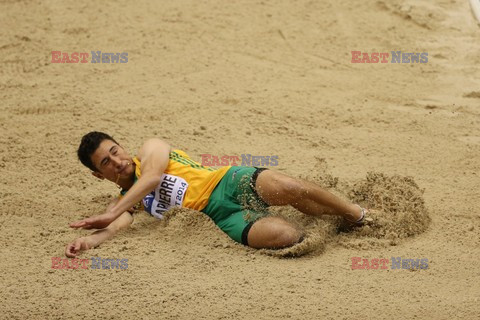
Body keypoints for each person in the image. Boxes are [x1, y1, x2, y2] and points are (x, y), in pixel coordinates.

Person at [65, 131, 370, 257]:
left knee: (289, 188)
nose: (117, 162)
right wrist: (89, 240)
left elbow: (154, 177)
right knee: (286, 237)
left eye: (115, 151)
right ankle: (331, 224)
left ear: (122, 146)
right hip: (221, 217)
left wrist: (113, 211)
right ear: (98, 174)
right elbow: (115, 226)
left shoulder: (150, 149)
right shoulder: (123, 203)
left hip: (225, 181)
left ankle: (355, 214)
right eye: (106, 162)